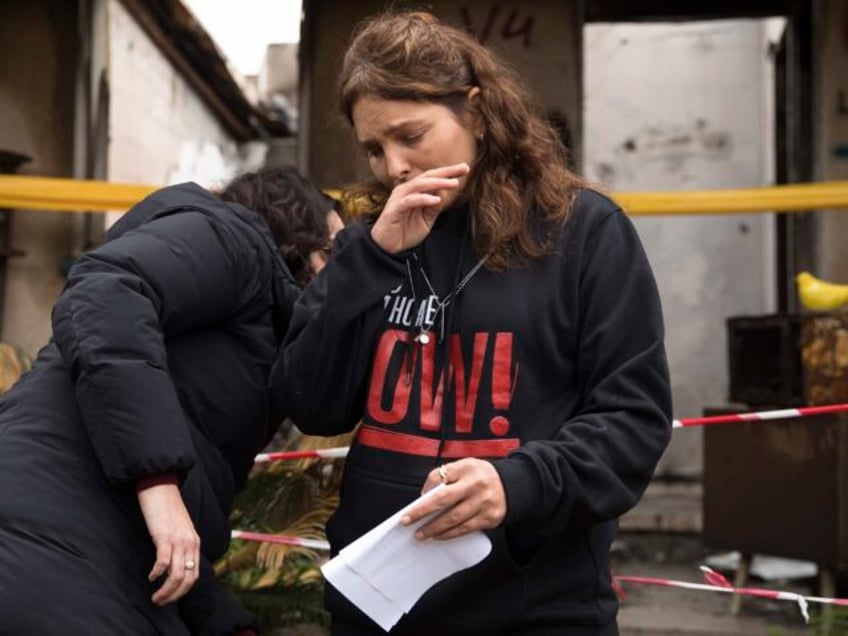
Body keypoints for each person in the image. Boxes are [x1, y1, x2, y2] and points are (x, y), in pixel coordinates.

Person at [276, 11, 672, 636]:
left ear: (477, 114)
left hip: (536, 606)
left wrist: (517, 483)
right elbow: (312, 404)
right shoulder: (370, 246)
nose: (394, 166)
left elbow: (633, 422)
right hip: (381, 609)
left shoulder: (584, 232)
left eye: (411, 135)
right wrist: (370, 263)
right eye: (375, 148)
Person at [0, 166, 332, 634]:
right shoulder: (235, 237)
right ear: (299, 233)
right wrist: (157, 481)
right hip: (48, 549)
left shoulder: (252, 329)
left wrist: (222, 621)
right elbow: (104, 290)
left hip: (80, 554)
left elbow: (170, 531)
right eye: (334, 250)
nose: (341, 272)